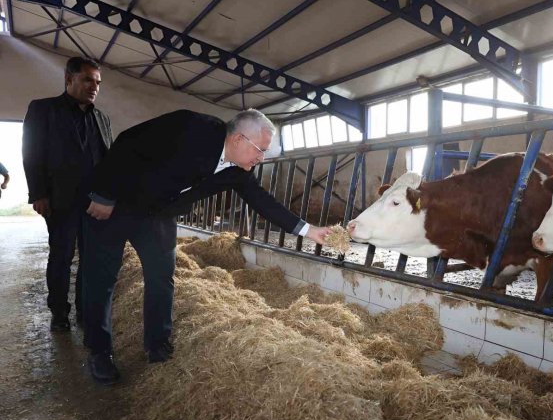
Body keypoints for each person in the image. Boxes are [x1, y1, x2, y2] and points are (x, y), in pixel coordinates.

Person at [82, 108, 331, 384]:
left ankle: (157, 344)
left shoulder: (238, 170)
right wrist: (104, 194)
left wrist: (309, 231)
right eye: (260, 150)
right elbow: (129, 142)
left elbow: (262, 201)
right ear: (238, 140)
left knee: (162, 277)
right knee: (101, 277)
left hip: (158, 215)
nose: (261, 158)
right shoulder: (190, 125)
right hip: (118, 203)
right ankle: (99, 351)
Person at [22, 57, 113, 332]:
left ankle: (85, 311)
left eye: (97, 82)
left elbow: (108, 160)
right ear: (69, 79)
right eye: (87, 79)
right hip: (60, 199)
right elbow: (32, 152)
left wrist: (110, 196)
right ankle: (59, 312)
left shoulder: (102, 118)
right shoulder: (43, 109)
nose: (93, 86)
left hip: (95, 203)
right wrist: (38, 193)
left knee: (91, 259)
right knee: (61, 256)